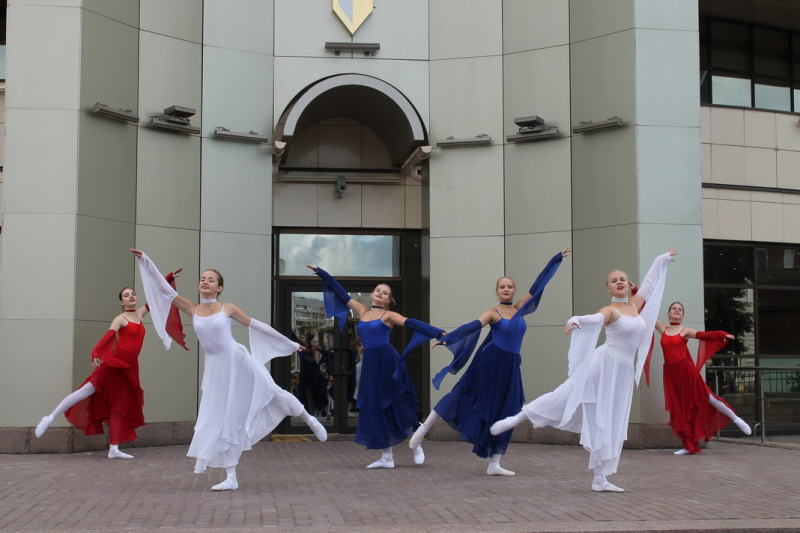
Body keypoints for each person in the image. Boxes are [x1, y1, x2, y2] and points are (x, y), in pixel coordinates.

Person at [132, 249, 327, 491]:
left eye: (210, 279)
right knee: (224, 419)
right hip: (217, 369)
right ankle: (231, 477)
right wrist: (146, 260)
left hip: (238, 360)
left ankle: (309, 419)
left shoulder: (228, 308)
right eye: (202, 279)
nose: (205, 281)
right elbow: (164, 290)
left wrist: (290, 343)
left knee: (272, 392)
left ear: (219, 287)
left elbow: (257, 325)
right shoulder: (192, 308)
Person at [491, 250, 679, 493]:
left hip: (623, 369)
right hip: (604, 362)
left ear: (628, 284)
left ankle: (600, 478)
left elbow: (649, 285)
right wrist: (577, 320)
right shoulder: (611, 310)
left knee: (611, 421)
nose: (619, 282)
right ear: (608, 288)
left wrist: (660, 260)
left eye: (622, 279)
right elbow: (595, 318)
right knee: (565, 393)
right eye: (614, 280)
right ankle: (516, 419)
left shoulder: (635, 305)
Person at [409, 248, 571, 476]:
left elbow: (537, 287)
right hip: (489, 363)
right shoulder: (493, 312)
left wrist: (554, 260)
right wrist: (449, 338)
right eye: (502, 287)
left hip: (510, 366)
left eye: (510, 286)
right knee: (460, 394)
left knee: (508, 408)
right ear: (497, 291)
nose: (506, 289)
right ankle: (422, 430)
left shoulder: (520, 309)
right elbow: (473, 326)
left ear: (514, 290)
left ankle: (494, 463)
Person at [34, 271, 186, 458]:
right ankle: (49, 417)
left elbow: (157, 295)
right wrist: (96, 352)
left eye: (133, 294)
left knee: (119, 406)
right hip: (116, 364)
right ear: (122, 302)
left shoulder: (139, 314)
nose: (131, 296)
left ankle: (114, 449)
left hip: (130, 366)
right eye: (127, 295)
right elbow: (108, 336)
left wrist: (168, 278)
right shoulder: (120, 319)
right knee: (84, 391)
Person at [308, 265, 444, 469]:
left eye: (385, 293)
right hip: (370, 363)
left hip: (387, 360)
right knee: (375, 405)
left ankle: (415, 442)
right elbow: (341, 294)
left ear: (387, 300)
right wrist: (323, 274)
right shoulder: (362, 311)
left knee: (397, 402)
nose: (381, 293)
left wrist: (439, 333)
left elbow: (412, 323)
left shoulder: (388, 315)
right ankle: (386, 457)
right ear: (372, 295)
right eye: (378, 290)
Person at [655, 301, 751, 455]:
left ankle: (736, 419)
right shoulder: (663, 328)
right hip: (671, 374)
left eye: (680, 309)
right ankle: (688, 445)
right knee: (681, 409)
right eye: (674, 309)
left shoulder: (685, 331)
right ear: (668, 313)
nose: (677, 311)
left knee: (708, 397)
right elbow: (646, 310)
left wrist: (720, 334)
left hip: (686, 371)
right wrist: (635, 292)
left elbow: (703, 335)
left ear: (682, 315)